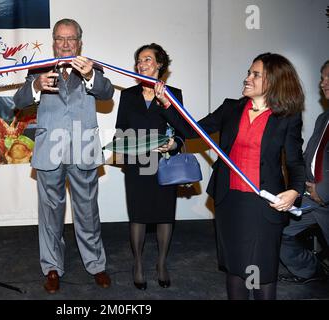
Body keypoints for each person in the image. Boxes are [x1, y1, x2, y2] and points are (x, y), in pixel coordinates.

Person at [155, 52, 306, 299]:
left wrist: (294, 191)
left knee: (262, 271)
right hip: (229, 201)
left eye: (255, 74)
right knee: (235, 268)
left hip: (264, 205)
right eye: (248, 72)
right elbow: (193, 130)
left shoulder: (286, 118)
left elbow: (295, 161)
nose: (247, 78)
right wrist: (167, 104)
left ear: (274, 81)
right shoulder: (231, 108)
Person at [13, 18, 114, 294]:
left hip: (83, 149)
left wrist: (92, 76)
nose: (66, 44)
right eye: (61, 38)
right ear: (53, 42)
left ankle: (95, 265)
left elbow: (107, 93)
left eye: (71, 39)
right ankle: (52, 267)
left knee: (88, 212)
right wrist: (35, 87)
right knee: (50, 214)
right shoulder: (38, 69)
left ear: (80, 42)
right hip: (49, 153)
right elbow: (18, 101)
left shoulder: (94, 68)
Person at [115, 43, 183, 290]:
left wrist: (173, 145)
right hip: (137, 163)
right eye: (138, 61)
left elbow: (183, 131)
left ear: (159, 64)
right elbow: (121, 131)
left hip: (163, 165)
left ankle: (162, 263)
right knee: (138, 216)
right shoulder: (127, 95)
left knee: (165, 215)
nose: (141, 65)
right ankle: (139, 264)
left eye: (147, 60)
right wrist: (128, 150)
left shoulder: (173, 93)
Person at [279, 60, 329, 284]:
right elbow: (312, 156)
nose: (323, 83)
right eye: (322, 78)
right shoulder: (323, 118)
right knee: (278, 230)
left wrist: (324, 191)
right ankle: (310, 270)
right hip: (312, 198)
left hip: (325, 197)